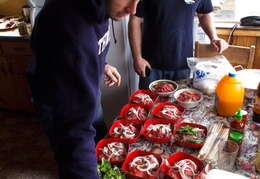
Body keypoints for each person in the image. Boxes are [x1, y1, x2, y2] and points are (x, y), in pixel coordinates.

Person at [26, 0, 139, 178]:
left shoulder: (99, 7)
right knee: (74, 161)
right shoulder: (71, 29)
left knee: (102, 147)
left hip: (85, 90)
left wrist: (102, 65)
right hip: (59, 101)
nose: (133, 9)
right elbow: (75, 133)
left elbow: (86, 45)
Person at [128, 0, 229, 90]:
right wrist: (137, 57)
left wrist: (213, 37)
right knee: (147, 106)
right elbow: (134, 20)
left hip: (182, 64)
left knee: (179, 107)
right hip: (150, 64)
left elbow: (204, 14)